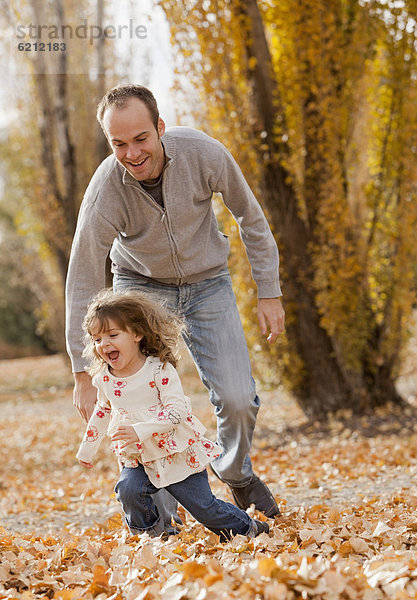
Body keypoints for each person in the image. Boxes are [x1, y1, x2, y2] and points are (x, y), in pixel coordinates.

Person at [66, 83, 285, 535]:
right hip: (141, 288)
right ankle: (159, 518)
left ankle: (236, 473)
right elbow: (84, 274)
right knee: (140, 402)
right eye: (119, 143)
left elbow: (250, 215)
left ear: (160, 128)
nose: (132, 152)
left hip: (208, 283)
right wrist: (80, 371)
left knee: (239, 399)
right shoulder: (106, 188)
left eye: (141, 138)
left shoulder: (203, 153)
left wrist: (269, 291)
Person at [76, 289, 270, 540]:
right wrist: (87, 449)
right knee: (128, 489)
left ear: (137, 334)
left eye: (112, 335)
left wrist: (140, 430)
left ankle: (248, 527)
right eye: (97, 339)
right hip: (138, 455)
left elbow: (177, 412)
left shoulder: (160, 371)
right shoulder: (104, 378)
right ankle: (153, 537)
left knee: (205, 509)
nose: (104, 345)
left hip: (176, 452)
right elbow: (102, 410)